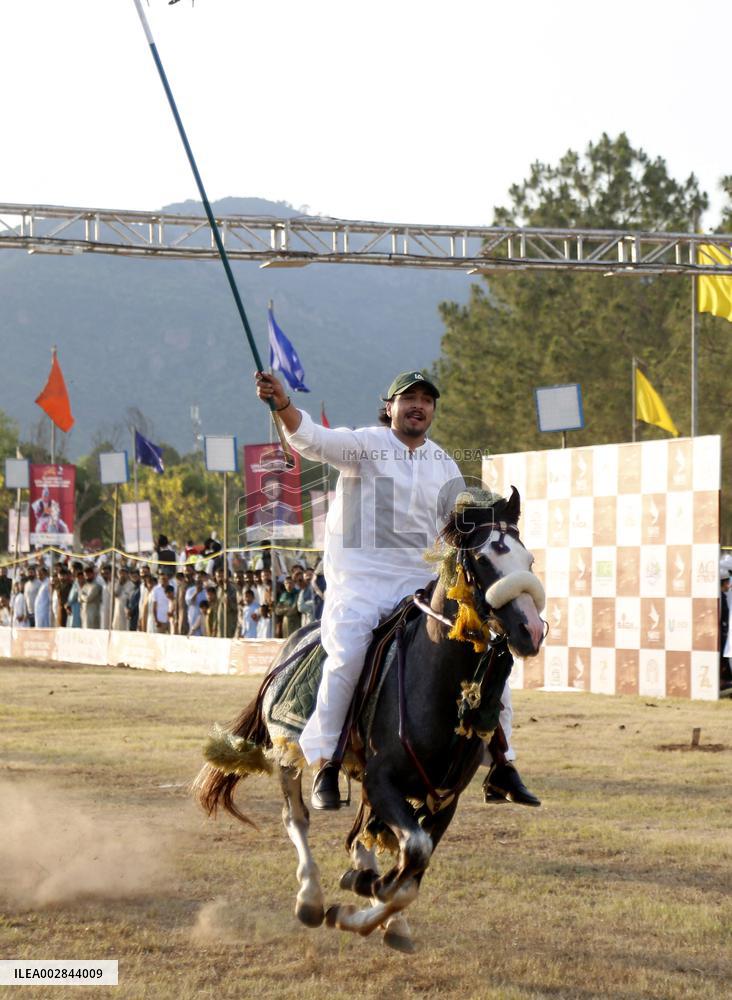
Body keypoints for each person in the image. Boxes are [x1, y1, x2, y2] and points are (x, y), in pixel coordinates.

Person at [257, 368, 539, 810]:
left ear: (432, 411)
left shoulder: (443, 462)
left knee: (487, 649)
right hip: (361, 584)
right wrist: (283, 405)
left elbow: (458, 527)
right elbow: (311, 440)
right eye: (408, 398)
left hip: (421, 587)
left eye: (427, 400)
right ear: (389, 407)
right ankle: (327, 760)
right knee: (347, 654)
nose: (418, 406)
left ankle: (501, 761)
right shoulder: (365, 444)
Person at [80, 565, 103, 629]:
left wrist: (82, 596)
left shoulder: (96, 586)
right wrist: (82, 596)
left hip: (92, 613)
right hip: (84, 613)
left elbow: (88, 599)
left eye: (88, 575)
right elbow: (79, 598)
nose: (86, 577)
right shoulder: (85, 585)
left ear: (93, 574)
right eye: (85, 575)